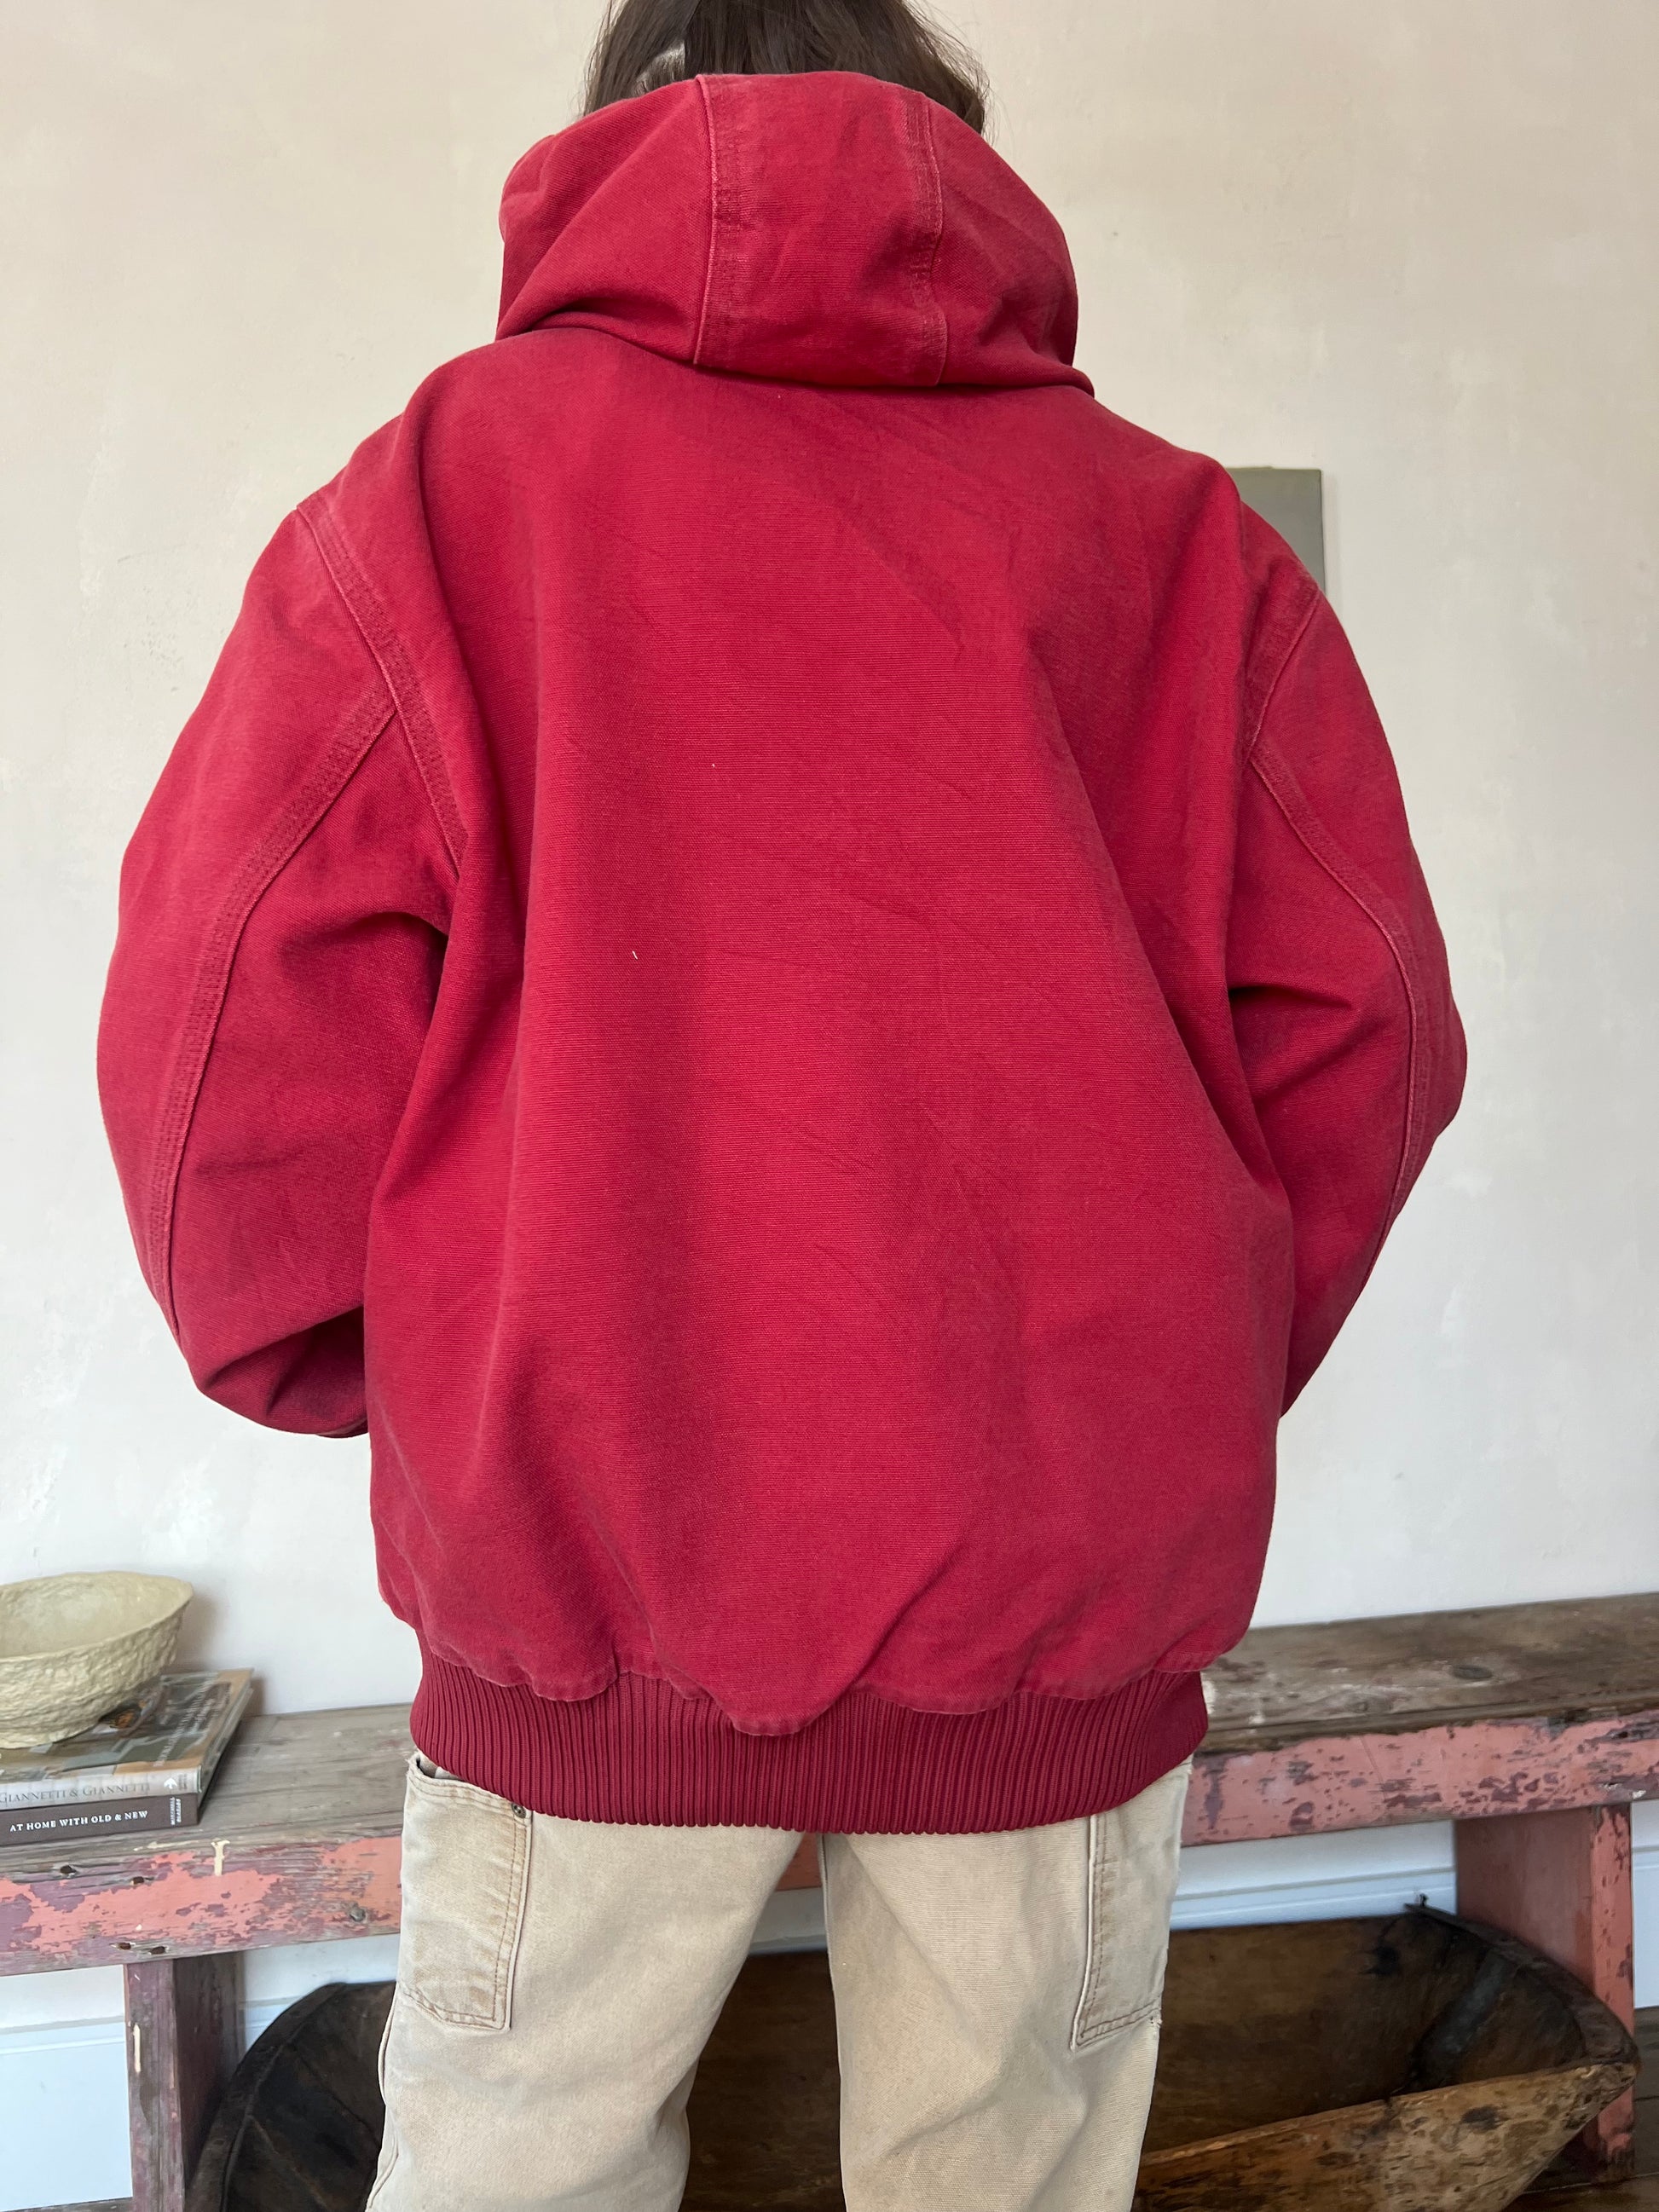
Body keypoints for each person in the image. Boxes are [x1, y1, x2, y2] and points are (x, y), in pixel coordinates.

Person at [96, 1, 1465, 2205]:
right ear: (953, 154)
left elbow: (230, 991)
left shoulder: (445, 493)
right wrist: (1165, 1378)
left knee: (521, 2174)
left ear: (609, 141)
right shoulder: (1178, 539)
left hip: (580, 1543)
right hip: (1057, 1564)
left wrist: (370, 1350)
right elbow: (1367, 1022)